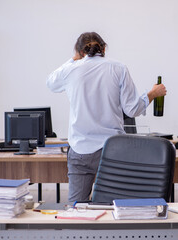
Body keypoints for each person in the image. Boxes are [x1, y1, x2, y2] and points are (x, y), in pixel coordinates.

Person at [46, 32, 167, 202]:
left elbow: (51, 82)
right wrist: (152, 94)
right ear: (103, 48)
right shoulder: (118, 68)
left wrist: (73, 59)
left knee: (76, 208)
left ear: (80, 52)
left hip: (80, 150)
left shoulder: (70, 70)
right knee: (114, 206)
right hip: (111, 150)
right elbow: (132, 110)